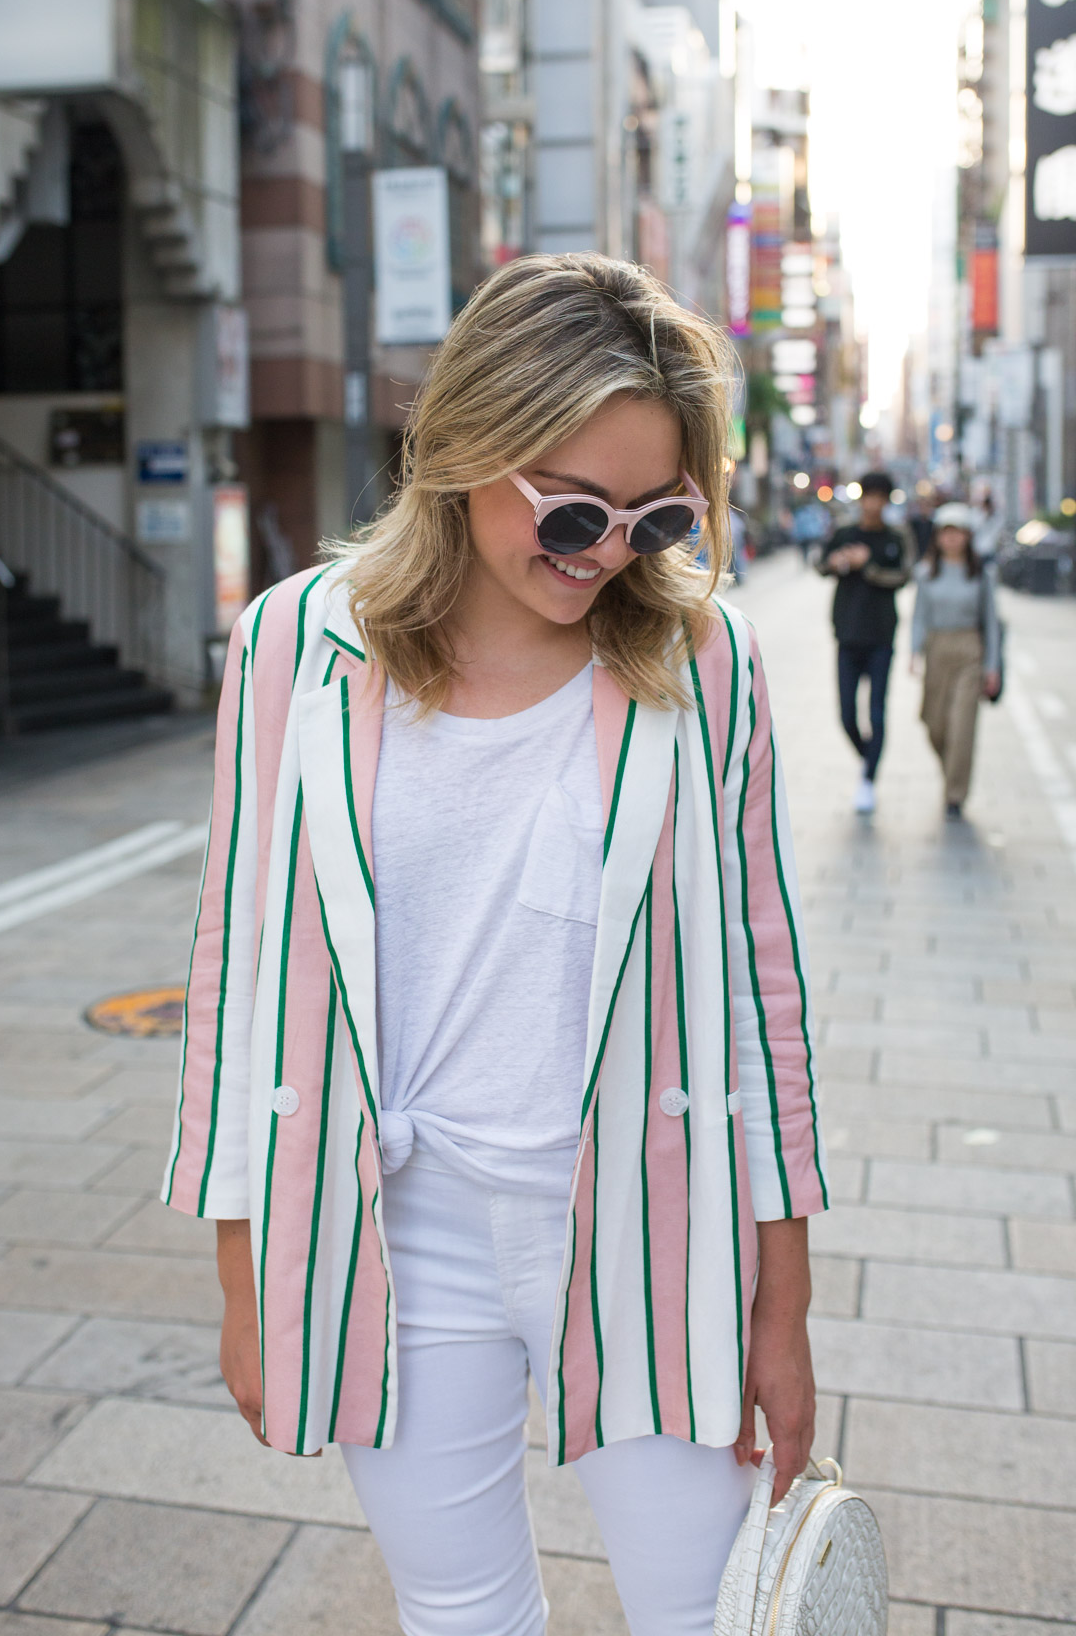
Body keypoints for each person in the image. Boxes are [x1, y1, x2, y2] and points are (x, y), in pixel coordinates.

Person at [162, 254, 829, 1636]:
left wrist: (785, 1303)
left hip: (656, 1223)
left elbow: (765, 993)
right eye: (572, 508)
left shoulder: (706, 665)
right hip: (398, 1231)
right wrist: (245, 1276)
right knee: (461, 1614)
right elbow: (240, 967)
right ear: (462, 450)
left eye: (656, 519)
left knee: (707, 1615)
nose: (605, 554)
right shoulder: (297, 646)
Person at [816, 471, 916, 814]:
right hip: (846, 634)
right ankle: (867, 758)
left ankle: (869, 779)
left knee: (876, 711)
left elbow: (903, 576)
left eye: (879, 497)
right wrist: (838, 562)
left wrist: (868, 566)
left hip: (881, 636)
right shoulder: (845, 532)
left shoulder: (895, 536)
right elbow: (820, 565)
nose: (872, 504)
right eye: (868, 496)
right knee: (846, 715)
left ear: (886, 501)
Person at [910, 503, 1001, 818]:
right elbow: (919, 615)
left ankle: (955, 794)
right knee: (934, 723)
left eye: (958, 532)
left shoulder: (981, 574)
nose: (951, 539)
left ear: (967, 536)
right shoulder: (925, 573)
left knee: (962, 725)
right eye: (946, 532)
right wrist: (913, 651)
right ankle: (953, 768)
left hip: (970, 650)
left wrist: (992, 666)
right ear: (938, 537)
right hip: (937, 649)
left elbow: (991, 622)